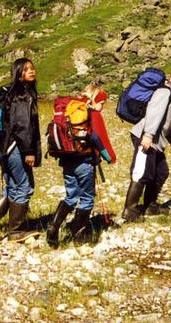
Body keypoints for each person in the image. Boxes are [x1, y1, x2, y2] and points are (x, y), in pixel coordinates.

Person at [0, 58, 42, 244]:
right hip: (16, 148)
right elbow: (23, 125)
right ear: (18, 73)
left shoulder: (8, 93)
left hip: (2, 147)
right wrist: (29, 151)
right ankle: (16, 230)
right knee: (24, 187)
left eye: (32, 67)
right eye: (26, 69)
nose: (31, 71)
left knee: (10, 186)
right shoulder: (23, 94)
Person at [121, 67, 171, 223]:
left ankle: (150, 206)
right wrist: (148, 135)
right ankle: (129, 210)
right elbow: (154, 113)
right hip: (146, 137)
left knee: (161, 172)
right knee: (142, 172)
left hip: (155, 139)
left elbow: (166, 123)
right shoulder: (164, 92)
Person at [48, 84, 114, 248]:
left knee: (71, 196)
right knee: (86, 198)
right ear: (94, 100)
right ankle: (79, 236)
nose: (102, 107)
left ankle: (53, 226)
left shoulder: (69, 110)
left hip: (67, 159)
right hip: (84, 160)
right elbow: (99, 138)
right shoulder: (90, 113)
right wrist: (109, 157)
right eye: (102, 103)